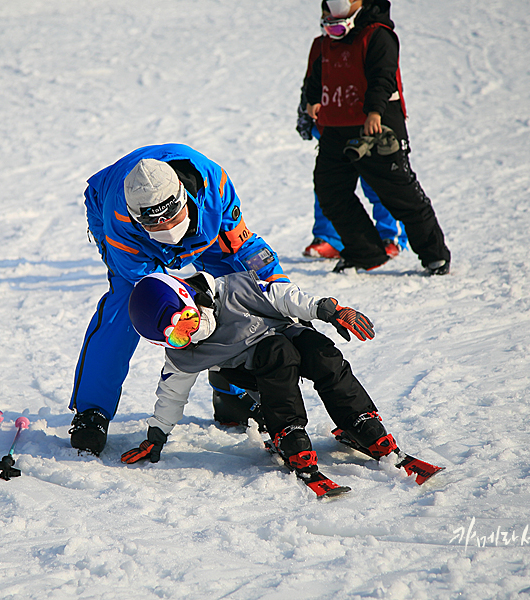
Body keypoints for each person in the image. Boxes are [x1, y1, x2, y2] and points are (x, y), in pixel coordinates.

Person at [70, 144, 288, 455]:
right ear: (137, 218)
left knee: (236, 285)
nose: (168, 229)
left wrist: (277, 288)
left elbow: (246, 248)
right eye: (156, 224)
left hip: (203, 227)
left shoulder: (214, 187)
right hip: (125, 231)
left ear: (184, 197)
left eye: (172, 218)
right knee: (128, 305)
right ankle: (92, 411)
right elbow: (150, 284)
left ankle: (231, 390)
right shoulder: (119, 218)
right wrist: (194, 308)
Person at [120, 270, 401, 498]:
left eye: (188, 319)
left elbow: (284, 297)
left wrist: (327, 310)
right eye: (178, 336)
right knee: (278, 353)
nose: (192, 333)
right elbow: (172, 393)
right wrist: (156, 436)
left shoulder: (235, 289)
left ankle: (359, 421)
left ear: (191, 296)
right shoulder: (185, 354)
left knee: (321, 353)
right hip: (253, 366)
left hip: (286, 334)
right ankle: (288, 433)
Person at [304, 0, 451, 274]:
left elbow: (382, 77)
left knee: (400, 195)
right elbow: (315, 78)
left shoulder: (378, 35)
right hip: (335, 130)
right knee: (330, 192)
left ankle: (435, 255)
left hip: (376, 129)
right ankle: (365, 253)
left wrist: (374, 112)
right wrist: (310, 104)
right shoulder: (323, 42)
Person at [297, 90, 408, 259]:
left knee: (376, 181)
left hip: (368, 120)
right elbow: (315, 71)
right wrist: (306, 104)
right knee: (330, 184)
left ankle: (389, 236)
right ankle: (330, 238)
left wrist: (380, 111)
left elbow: (383, 75)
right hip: (331, 119)